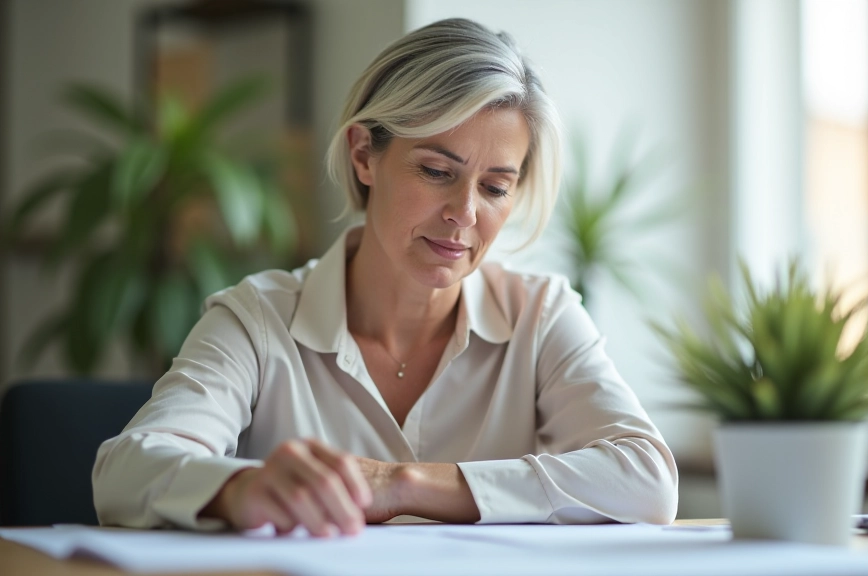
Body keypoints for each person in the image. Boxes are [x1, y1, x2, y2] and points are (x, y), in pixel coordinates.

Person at [93, 17, 678, 537]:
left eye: (496, 187)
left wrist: (405, 484)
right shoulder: (259, 319)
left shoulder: (541, 315)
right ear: (363, 156)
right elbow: (126, 469)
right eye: (435, 170)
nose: (466, 214)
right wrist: (239, 490)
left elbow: (648, 480)